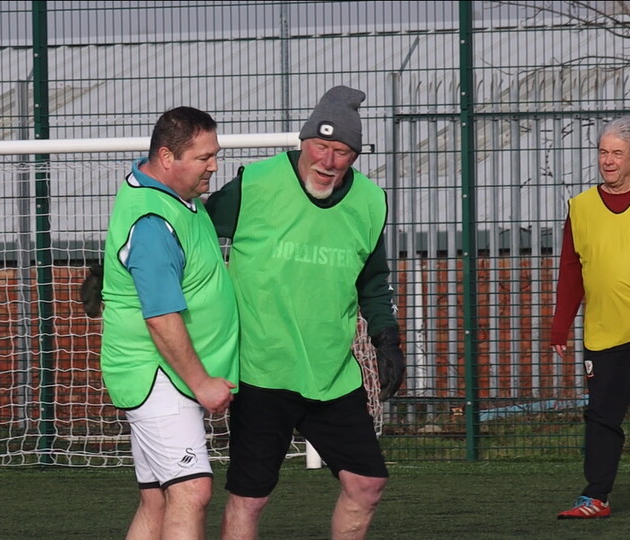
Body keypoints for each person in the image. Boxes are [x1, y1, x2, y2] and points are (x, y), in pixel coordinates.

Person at [205, 85, 405, 540]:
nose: (327, 161)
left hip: (331, 374)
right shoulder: (255, 184)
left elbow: (373, 281)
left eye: (341, 151)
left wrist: (387, 338)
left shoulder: (370, 201)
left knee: (367, 484)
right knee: (250, 498)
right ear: (303, 141)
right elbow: (191, 231)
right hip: (262, 370)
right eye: (320, 146)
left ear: (355, 155)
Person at [98, 106, 239, 539]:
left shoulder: (172, 196)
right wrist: (202, 383)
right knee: (192, 491)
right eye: (203, 157)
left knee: (157, 500)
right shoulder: (153, 223)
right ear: (166, 157)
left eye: (215, 154)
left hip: (161, 374)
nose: (213, 166)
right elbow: (160, 317)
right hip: (159, 375)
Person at [550, 116, 630, 520]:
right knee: (602, 418)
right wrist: (561, 324)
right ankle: (596, 498)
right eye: (603, 152)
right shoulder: (581, 207)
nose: (608, 160)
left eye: (617, 153)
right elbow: (571, 268)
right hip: (605, 332)